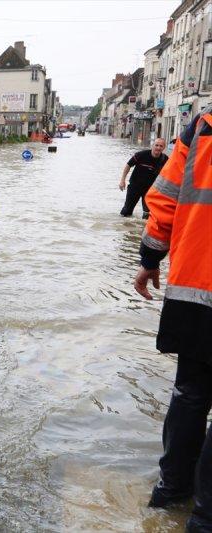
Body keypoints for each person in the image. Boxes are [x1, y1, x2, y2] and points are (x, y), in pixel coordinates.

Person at [133, 110, 212, 531]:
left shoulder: (202, 126)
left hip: (193, 287)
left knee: (190, 392)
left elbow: (163, 199)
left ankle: (171, 490)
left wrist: (149, 260)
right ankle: (204, 516)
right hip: (194, 285)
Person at [119, 138, 168, 218]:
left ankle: (141, 229)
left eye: (161, 146)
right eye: (156, 145)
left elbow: (168, 174)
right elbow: (128, 165)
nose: (158, 148)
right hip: (135, 187)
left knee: (147, 214)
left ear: (164, 148)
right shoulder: (141, 155)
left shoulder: (165, 159)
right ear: (152, 145)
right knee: (127, 211)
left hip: (150, 190)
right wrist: (122, 180)